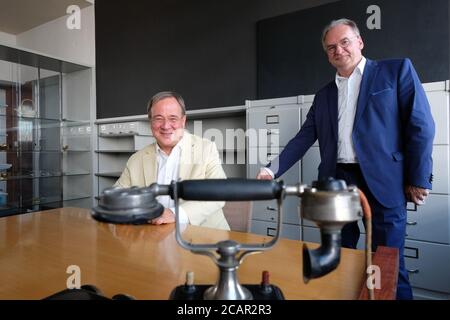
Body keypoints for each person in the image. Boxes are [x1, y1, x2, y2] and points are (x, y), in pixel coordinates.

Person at [257, 18, 435, 299]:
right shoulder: (324, 96)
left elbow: (421, 126)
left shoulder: (396, 71)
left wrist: (418, 178)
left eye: (344, 42)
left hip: (385, 184)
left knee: (388, 265)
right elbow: (303, 138)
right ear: (327, 55)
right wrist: (270, 170)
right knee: (338, 258)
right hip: (337, 183)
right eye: (331, 48)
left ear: (360, 42)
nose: (338, 50)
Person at [115, 91, 230, 230]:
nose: (165, 125)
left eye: (173, 118)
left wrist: (174, 214)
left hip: (204, 239)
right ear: (150, 122)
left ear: (183, 121)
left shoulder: (206, 149)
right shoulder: (136, 159)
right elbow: (116, 196)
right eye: (158, 118)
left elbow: (219, 193)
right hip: (152, 237)